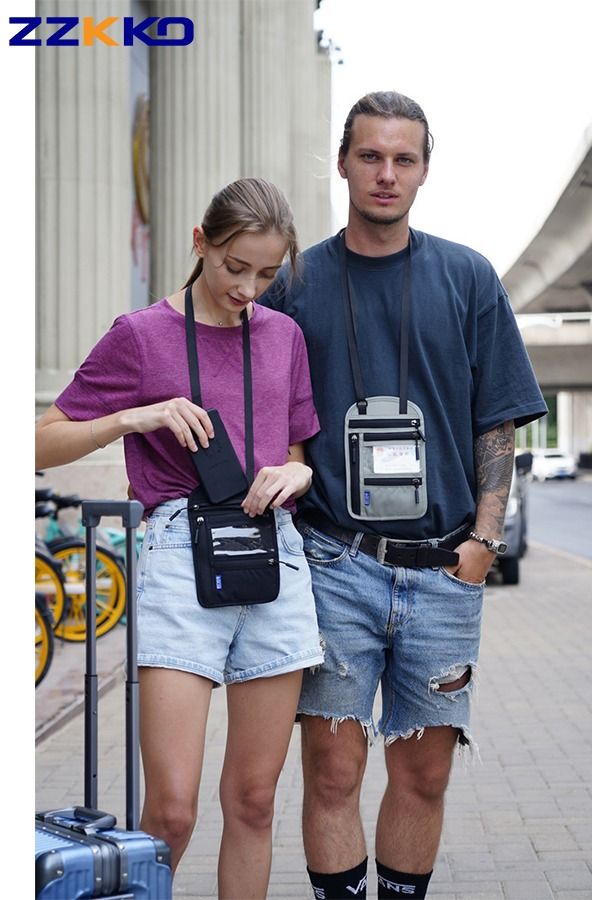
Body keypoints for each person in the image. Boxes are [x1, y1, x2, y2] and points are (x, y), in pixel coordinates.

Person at [260, 92, 548, 899]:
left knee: (423, 776)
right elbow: (254, 403)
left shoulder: (467, 276)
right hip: (334, 564)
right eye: (370, 156)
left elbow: (497, 420)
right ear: (343, 162)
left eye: (403, 159)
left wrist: (483, 543)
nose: (386, 174)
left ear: (424, 170)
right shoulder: (295, 283)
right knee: (332, 772)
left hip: (443, 569)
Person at [35, 177, 325, 899]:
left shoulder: (284, 336)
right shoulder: (139, 336)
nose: (248, 288)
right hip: (177, 558)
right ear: (200, 242)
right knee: (170, 811)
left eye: (267, 274)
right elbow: (40, 442)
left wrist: (298, 475)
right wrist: (136, 417)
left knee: (254, 802)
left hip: (274, 559)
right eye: (235, 266)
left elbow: (296, 452)